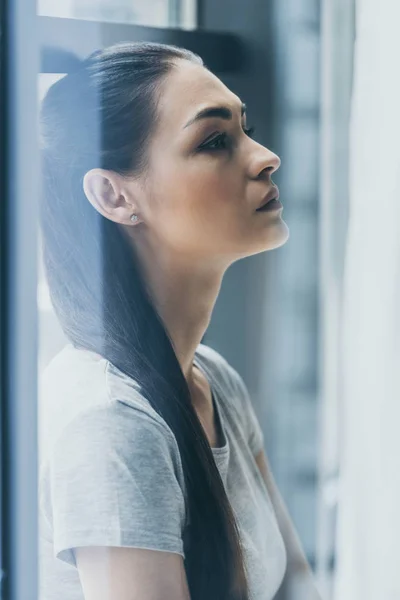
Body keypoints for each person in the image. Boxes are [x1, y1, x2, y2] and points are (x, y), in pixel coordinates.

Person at [38, 41, 321, 600]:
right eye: (215, 141)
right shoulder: (112, 424)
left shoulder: (214, 380)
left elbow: (297, 587)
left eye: (246, 128)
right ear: (114, 196)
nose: (266, 156)